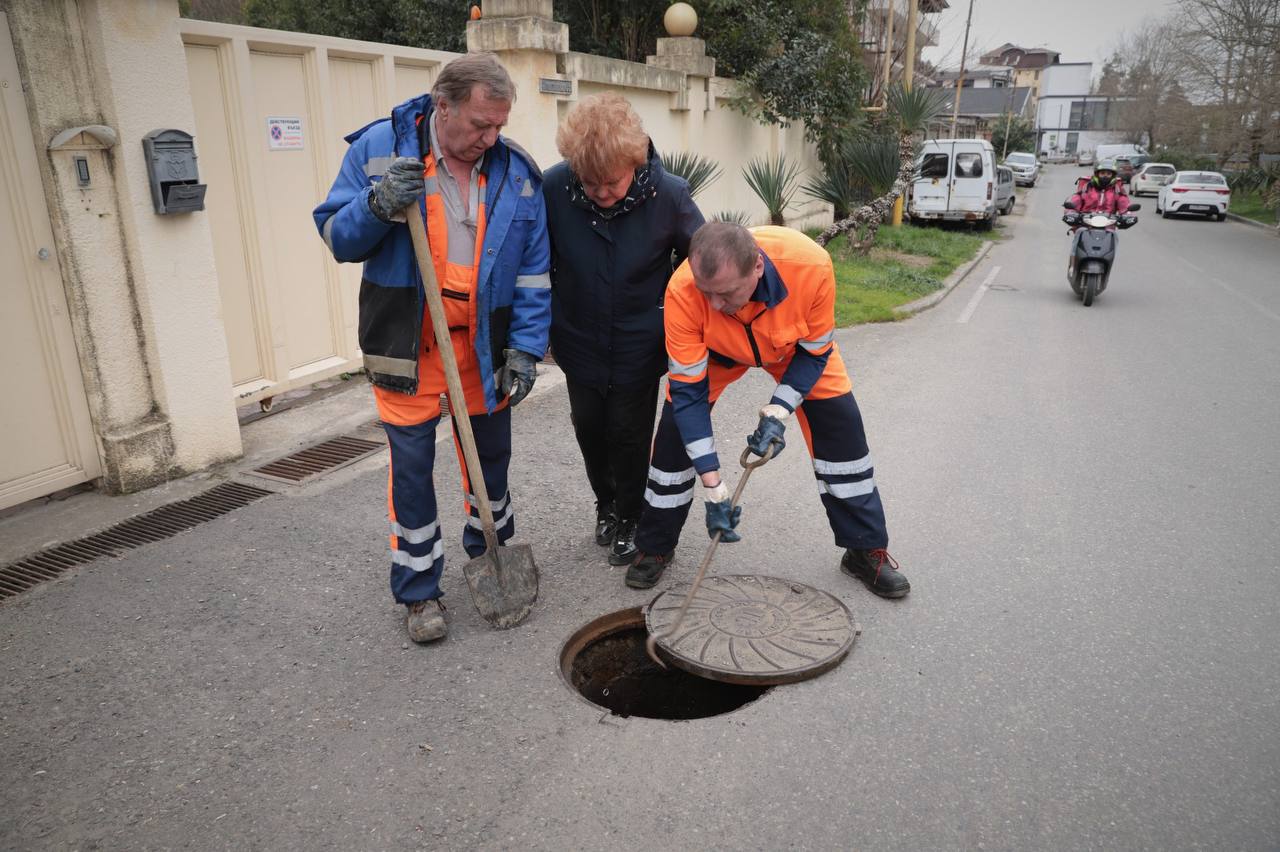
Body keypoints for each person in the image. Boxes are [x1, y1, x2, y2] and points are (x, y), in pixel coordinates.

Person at [312, 53, 551, 643]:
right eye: (479, 125)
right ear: (442, 105)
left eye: (499, 125)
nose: (491, 137)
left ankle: (488, 547)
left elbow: (534, 272)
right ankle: (419, 593)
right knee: (413, 471)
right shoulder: (378, 150)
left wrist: (524, 347)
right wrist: (375, 206)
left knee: (488, 459)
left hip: (484, 344)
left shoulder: (516, 171)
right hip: (410, 343)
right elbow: (336, 236)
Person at [624, 223, 911, 599]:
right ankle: (655, 545)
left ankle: (864, 550)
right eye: (705, 292)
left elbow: (815, 351)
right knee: (673, 441)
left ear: (757, 266)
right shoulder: (682, 291)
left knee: (844, 439)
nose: (713, 304)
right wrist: (714, 486)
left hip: (793, 350)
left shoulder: (812, 267)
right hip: (718, 353)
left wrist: (780, 409)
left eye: (726, 293)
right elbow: (689, 395)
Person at [543, 93, 704, 566]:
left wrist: (668, 310)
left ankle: (632, 514)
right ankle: (607, 504)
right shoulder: (554, 188)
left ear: (634, 161)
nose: (602, 193)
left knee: (629, 432)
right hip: (577, 336)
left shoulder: (670, 194)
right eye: (590, 184)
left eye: (611, 182)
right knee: (589, 428)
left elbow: (699, 263)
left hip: (639, 340)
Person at [1065, 158, 1131, 275]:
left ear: (1113, 175)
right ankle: (1073, 264)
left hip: (1108, 226)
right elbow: (1076, 199)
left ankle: (1107, 267)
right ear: (1097, 174)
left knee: (1114, 236)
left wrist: (1127, 215)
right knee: (1079, 233)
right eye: (1102, 173)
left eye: (1108, 173)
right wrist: (1071, 212)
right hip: (1085, 223)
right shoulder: (1087, 187)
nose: (1105, 176)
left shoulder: (1117, 190)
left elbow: (1124, 204)